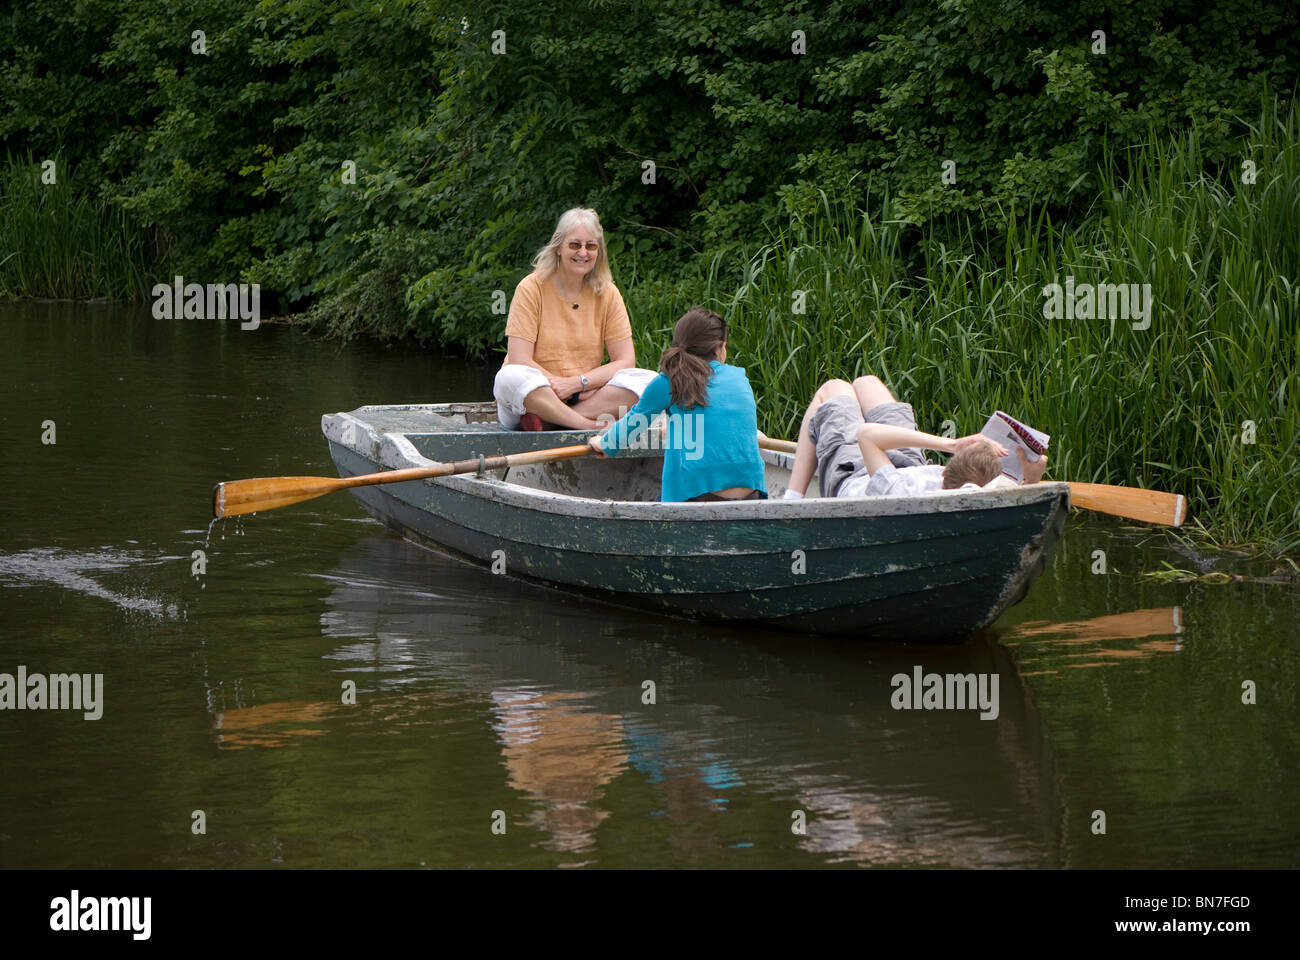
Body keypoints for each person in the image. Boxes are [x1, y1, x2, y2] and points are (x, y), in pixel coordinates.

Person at [494, 207, 658, 431]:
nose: (583, 252)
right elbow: (519, 358)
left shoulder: (608, 293)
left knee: (651, 381)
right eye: (575, 245)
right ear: (558, 247)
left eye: (590, 246)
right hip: (535, 392)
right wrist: (556, 386)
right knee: (509, 377)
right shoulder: (531, 288)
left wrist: (577, 384)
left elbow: (625, 361)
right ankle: (583, 424)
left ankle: (553, 421)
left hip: (584, 396)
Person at [589, 308, 768, 503]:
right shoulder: (739, 377)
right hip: (753, 492)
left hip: (700, 497)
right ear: (719, 348)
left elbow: (634, 423)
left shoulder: (669, 381)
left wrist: (605, 444)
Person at [782, 375, 1048, 498]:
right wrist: (1032, 480)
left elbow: (866, 436)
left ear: (943, 474)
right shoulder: (983, 491)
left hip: (859, 472)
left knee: (833, 388)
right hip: (907, 465)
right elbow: (1012, 498)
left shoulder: (900, 491)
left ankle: (791, 499)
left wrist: (950, 444)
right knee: (867, 383)